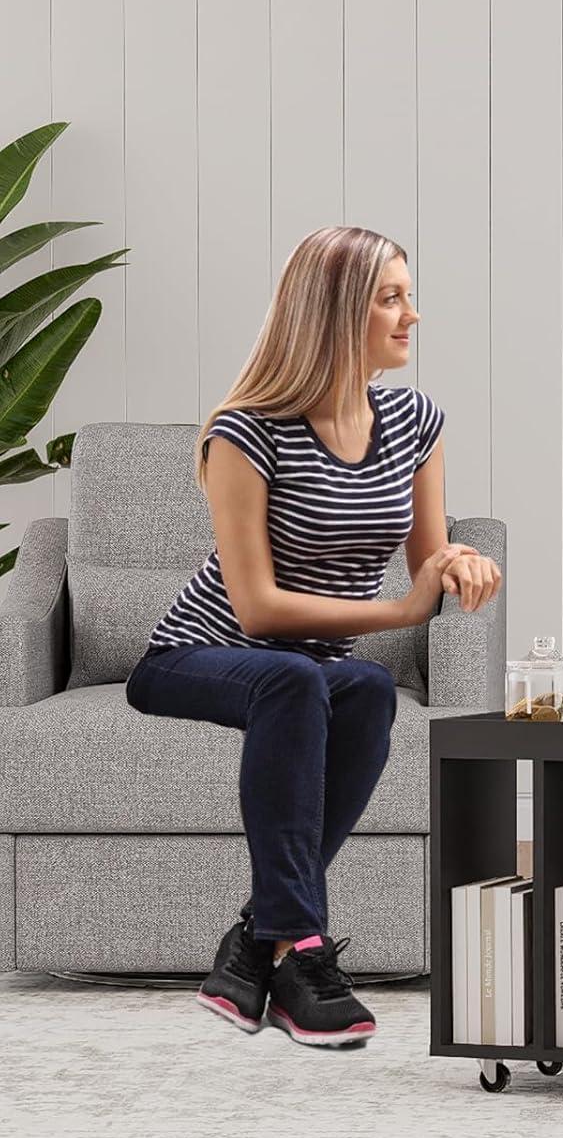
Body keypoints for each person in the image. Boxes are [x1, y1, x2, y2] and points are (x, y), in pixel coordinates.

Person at [125, 226, 502, 1048]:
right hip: (192, 657)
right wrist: (402, 613)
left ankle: (258, 944)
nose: (412, 315)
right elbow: (257, 610)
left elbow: (426, 551)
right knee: (297, 677)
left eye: (409, 294)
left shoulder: (414, 420)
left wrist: (457, 561)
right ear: (336, 312)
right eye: (391, 298)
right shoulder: (245, 431)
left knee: (365, 687)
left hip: (301, 668)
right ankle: (302, 951)